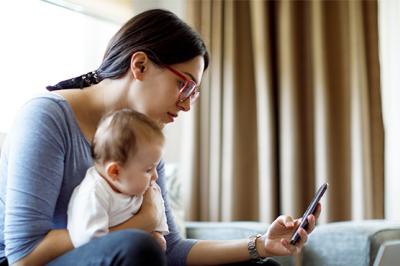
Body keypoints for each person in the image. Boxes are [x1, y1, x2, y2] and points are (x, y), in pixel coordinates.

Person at [0, 8, 321, 266]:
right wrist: (137, 225)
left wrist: (261, 245)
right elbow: (24, 254)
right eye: (184, 85)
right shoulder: (47, 119)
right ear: (139, 65)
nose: (186, 104)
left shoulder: (143, 143)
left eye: (194, 94)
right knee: (136, 247)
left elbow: (172, 249)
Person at [67, 109, 168, 251]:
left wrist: (158, 233)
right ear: (115, 172)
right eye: (148, 169)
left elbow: (158, 213)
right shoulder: (94, 193)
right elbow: (90, 243)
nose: (155, 176)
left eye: (155, 168)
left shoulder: (147, 189)